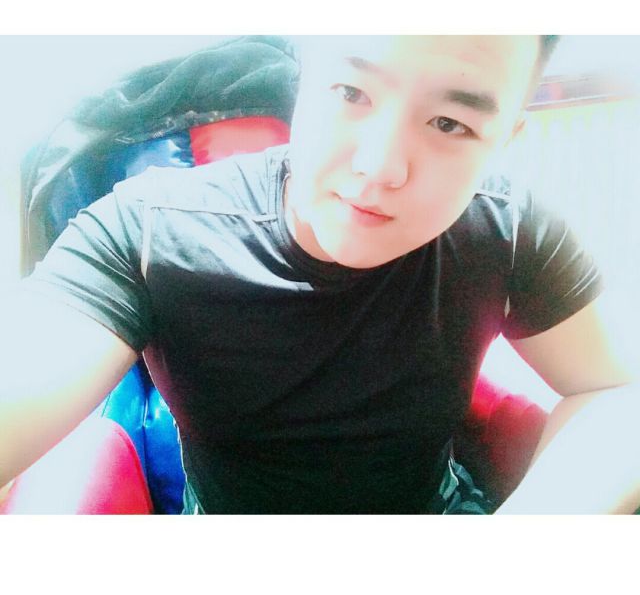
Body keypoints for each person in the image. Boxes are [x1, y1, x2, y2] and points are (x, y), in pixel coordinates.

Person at [2, 35, 639, 513]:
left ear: (505, 138)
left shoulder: (508, 227)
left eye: (450, 123)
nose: (380, 167)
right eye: (351, 93)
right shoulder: (150, 231)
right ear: (304, 78)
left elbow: (617, 391)